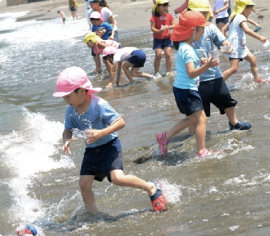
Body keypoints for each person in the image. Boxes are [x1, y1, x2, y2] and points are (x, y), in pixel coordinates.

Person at [53, 67, 167, 214]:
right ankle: (93, 214)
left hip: (110, 146)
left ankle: (151, 187)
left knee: (117, 178)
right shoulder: (71, 109)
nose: (65, 100)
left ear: (81, 92)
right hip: (92, 150)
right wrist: (66, 140)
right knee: (84, 184)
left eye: (67, 96)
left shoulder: (99, 105)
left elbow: (120, 122)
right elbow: (67, 130)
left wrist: (101, 133)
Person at [156, 11, 218, 157]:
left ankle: (165, 137)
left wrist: (202, 62)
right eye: (201, 29)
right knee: (201, 118)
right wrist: (206, 66)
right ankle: (201, 150)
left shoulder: (186, 47)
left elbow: (189, 67)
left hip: (181, 89)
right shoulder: (188, 50)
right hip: (187, 90)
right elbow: (191, 73)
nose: (203, 32)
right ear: (193, 30)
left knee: (192, 118)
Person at [192, 4, 252, 131]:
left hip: (214, 74)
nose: (203, 16)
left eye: (205, 13)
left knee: (227, 100)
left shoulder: (210, 28)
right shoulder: (186, 31)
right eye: (199, 13)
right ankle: (194, 135)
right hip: (195, 78)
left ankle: (234, 123)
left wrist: (227, 46)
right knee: (198, 112)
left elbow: (222, 41)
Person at [222, 0, 268, 83]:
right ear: (244, 9)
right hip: (235, 46)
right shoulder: (241, 17)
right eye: (250, 10)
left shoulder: (234, 17)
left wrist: (226, 41)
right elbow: (247, 30)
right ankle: (216, 83)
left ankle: (257, 79)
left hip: (236, 46)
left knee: (253, 60)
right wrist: (260, 37)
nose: (250, 12)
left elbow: (223, 30)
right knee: (234, 69)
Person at [150, 0, 175, 78]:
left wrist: (168, 27)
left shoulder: (169, 15)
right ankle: (156, 72)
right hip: (157, 39)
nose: (165, 7)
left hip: (167, 38)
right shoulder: (154, 17)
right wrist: (159, 31)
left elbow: (174, 25)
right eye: (163, 5)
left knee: (168, 54)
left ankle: (168, 71)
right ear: (158, 7)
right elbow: (152, 28)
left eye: (166, 5)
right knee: (158, 54)